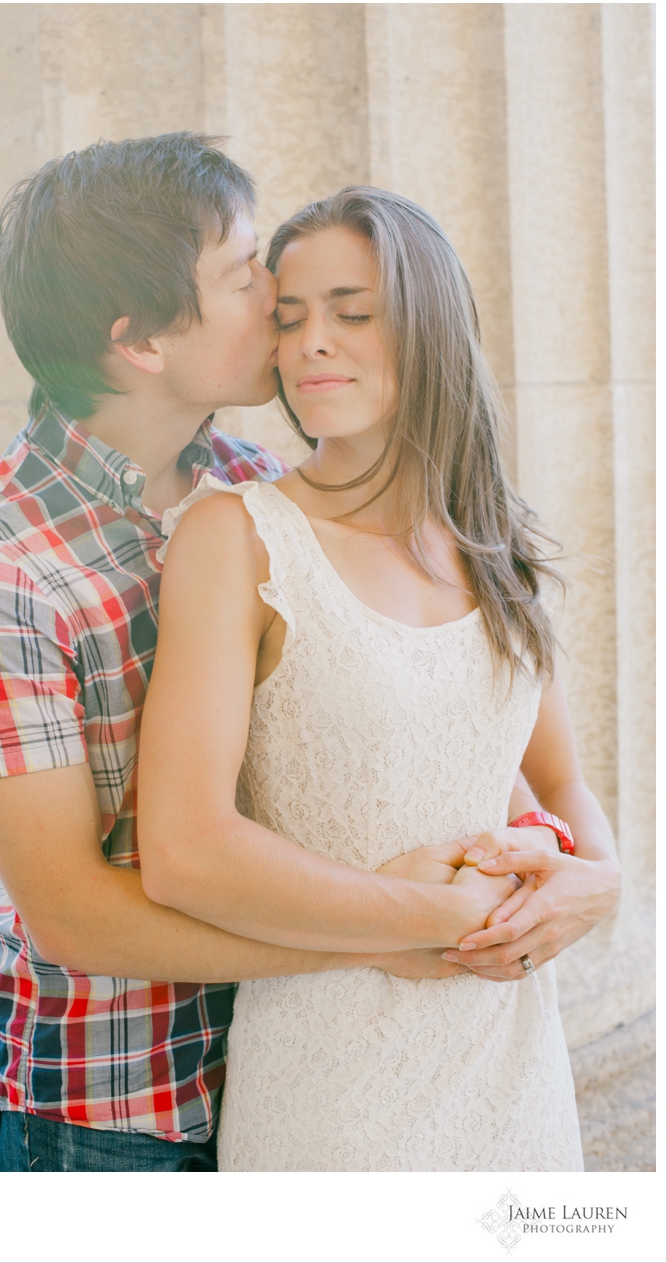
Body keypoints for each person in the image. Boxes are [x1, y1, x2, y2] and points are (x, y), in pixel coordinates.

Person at [0, 136, 618, 1174]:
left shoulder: (253, 485)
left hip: (291, 1047)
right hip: (112, 1102)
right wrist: (405, 932)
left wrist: (584, 872)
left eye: (342, 307)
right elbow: (76, 916)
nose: (284, 309)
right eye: (251, 281)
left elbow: (430, 729)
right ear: (140, 341)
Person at [136, 186, 622, 1171]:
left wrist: (596, 882)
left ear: (429, 326)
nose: (312, 340)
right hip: (328, 1092)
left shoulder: (498, 548)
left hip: (514, 1075)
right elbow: (184, 849)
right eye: (290, 316)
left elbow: (560, 780)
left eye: (352, 312)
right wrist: (431, 916)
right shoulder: (233, 535)